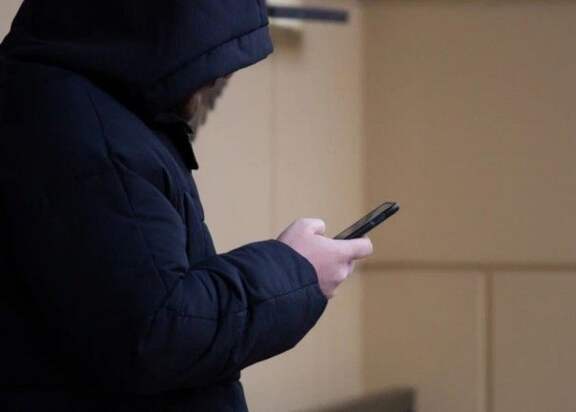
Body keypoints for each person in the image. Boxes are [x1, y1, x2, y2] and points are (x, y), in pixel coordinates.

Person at [0, 1, 373, 411]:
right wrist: (297, 272)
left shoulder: (77, 102)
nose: (221, 76)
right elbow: (155, 334)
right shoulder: (82, 126)